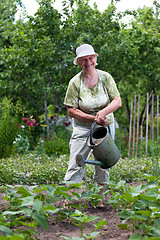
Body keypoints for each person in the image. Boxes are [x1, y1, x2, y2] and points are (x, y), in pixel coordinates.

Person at [64, 44, 122, 207]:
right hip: (83, 127)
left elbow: (117, 101)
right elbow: (71, 110)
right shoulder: (75, 83)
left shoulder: (105, 77)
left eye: (90, 58)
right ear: (79, 62)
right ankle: (70, 202)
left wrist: (102, 114)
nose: (88, 62)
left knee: (104, 162)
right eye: (84, 59)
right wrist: (93, 118)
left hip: (105, 127)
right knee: (76, 161)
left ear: (95, 59)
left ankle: (98, 201)